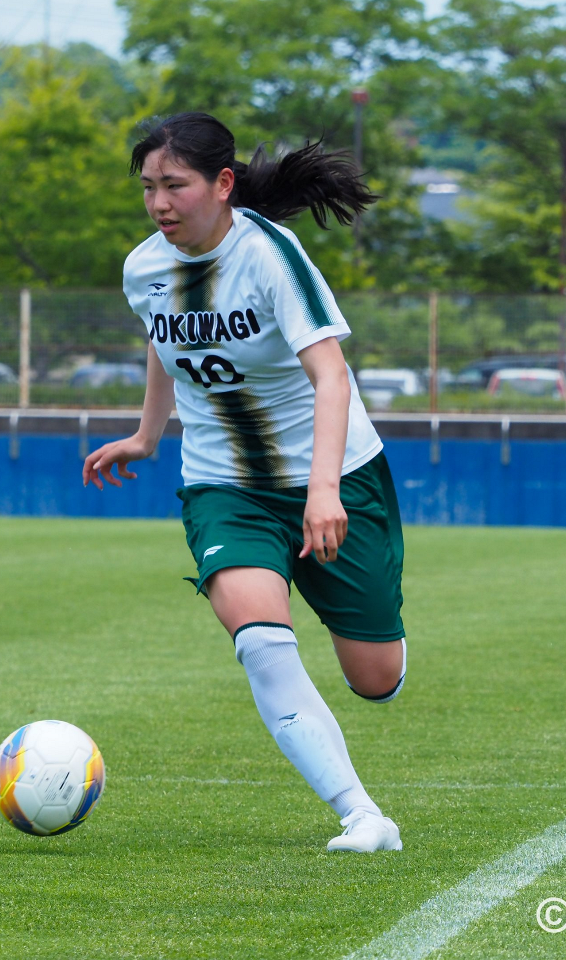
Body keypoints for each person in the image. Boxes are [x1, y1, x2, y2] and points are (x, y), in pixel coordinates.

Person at [83, 112, 407, 853]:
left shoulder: (271, 256)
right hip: (223, 484)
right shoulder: (144, 268)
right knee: (261, 642)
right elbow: (163, 346)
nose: (161, 204)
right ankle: (362, 815)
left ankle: (374, 644)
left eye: (176, 186)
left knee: (375, 678)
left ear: (223, 185)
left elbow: (332, 375)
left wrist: (322, 489)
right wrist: (146, 434)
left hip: (338, 475)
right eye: (148, 188)